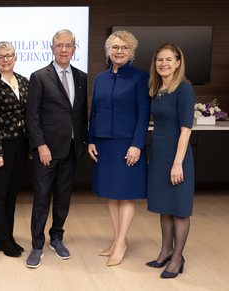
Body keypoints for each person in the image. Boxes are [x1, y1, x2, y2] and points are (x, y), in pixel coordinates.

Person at [25, 29, 88, 268]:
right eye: (59, 45)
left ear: (74, 49)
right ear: (52, 49)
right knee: (41, 199)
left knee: (63, 199)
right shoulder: (40, 76)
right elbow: (33, 116)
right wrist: (40, 145)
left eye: (68, 45)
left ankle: (57, 238)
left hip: (71, 150)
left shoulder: (82, 77)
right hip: (47, 152)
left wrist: (82, 142)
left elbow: (81, 115)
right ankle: (37, 245)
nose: (64, 49)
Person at [87, 31, 151, 266]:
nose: (119, 51)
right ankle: (116, 240)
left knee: (125, 196)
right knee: (111, 196)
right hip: (103, 143)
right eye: (115, 47)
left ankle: (121, 243)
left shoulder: (140, 77)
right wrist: (91, 139)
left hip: (127, 143)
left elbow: (144, 115)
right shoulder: (99, 78)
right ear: (108, 50)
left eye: (124, 47)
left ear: (131, 50)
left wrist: (136, 145)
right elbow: (93, 112)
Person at [146, 43, 195, 279]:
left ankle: (177, 258)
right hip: (159, 152)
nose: (163, 64)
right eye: (159, 60)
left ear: (178, 62)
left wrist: (178, 163)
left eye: (168, 59)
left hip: (178, 155)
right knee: (164, 206)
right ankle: (165, 251)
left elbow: (186, 130)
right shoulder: (157, 89)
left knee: (179, 209)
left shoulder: (184, 89)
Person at [0, 41, 30, 258]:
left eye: (9, 55)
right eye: (1, 57)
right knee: (0, 195)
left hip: (21, 144)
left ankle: (7, 237)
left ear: (15, 57)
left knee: (12, 193)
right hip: (2, 145)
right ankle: (2, 239)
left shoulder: (24, 81)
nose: (5, 59)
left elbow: (28, 115)